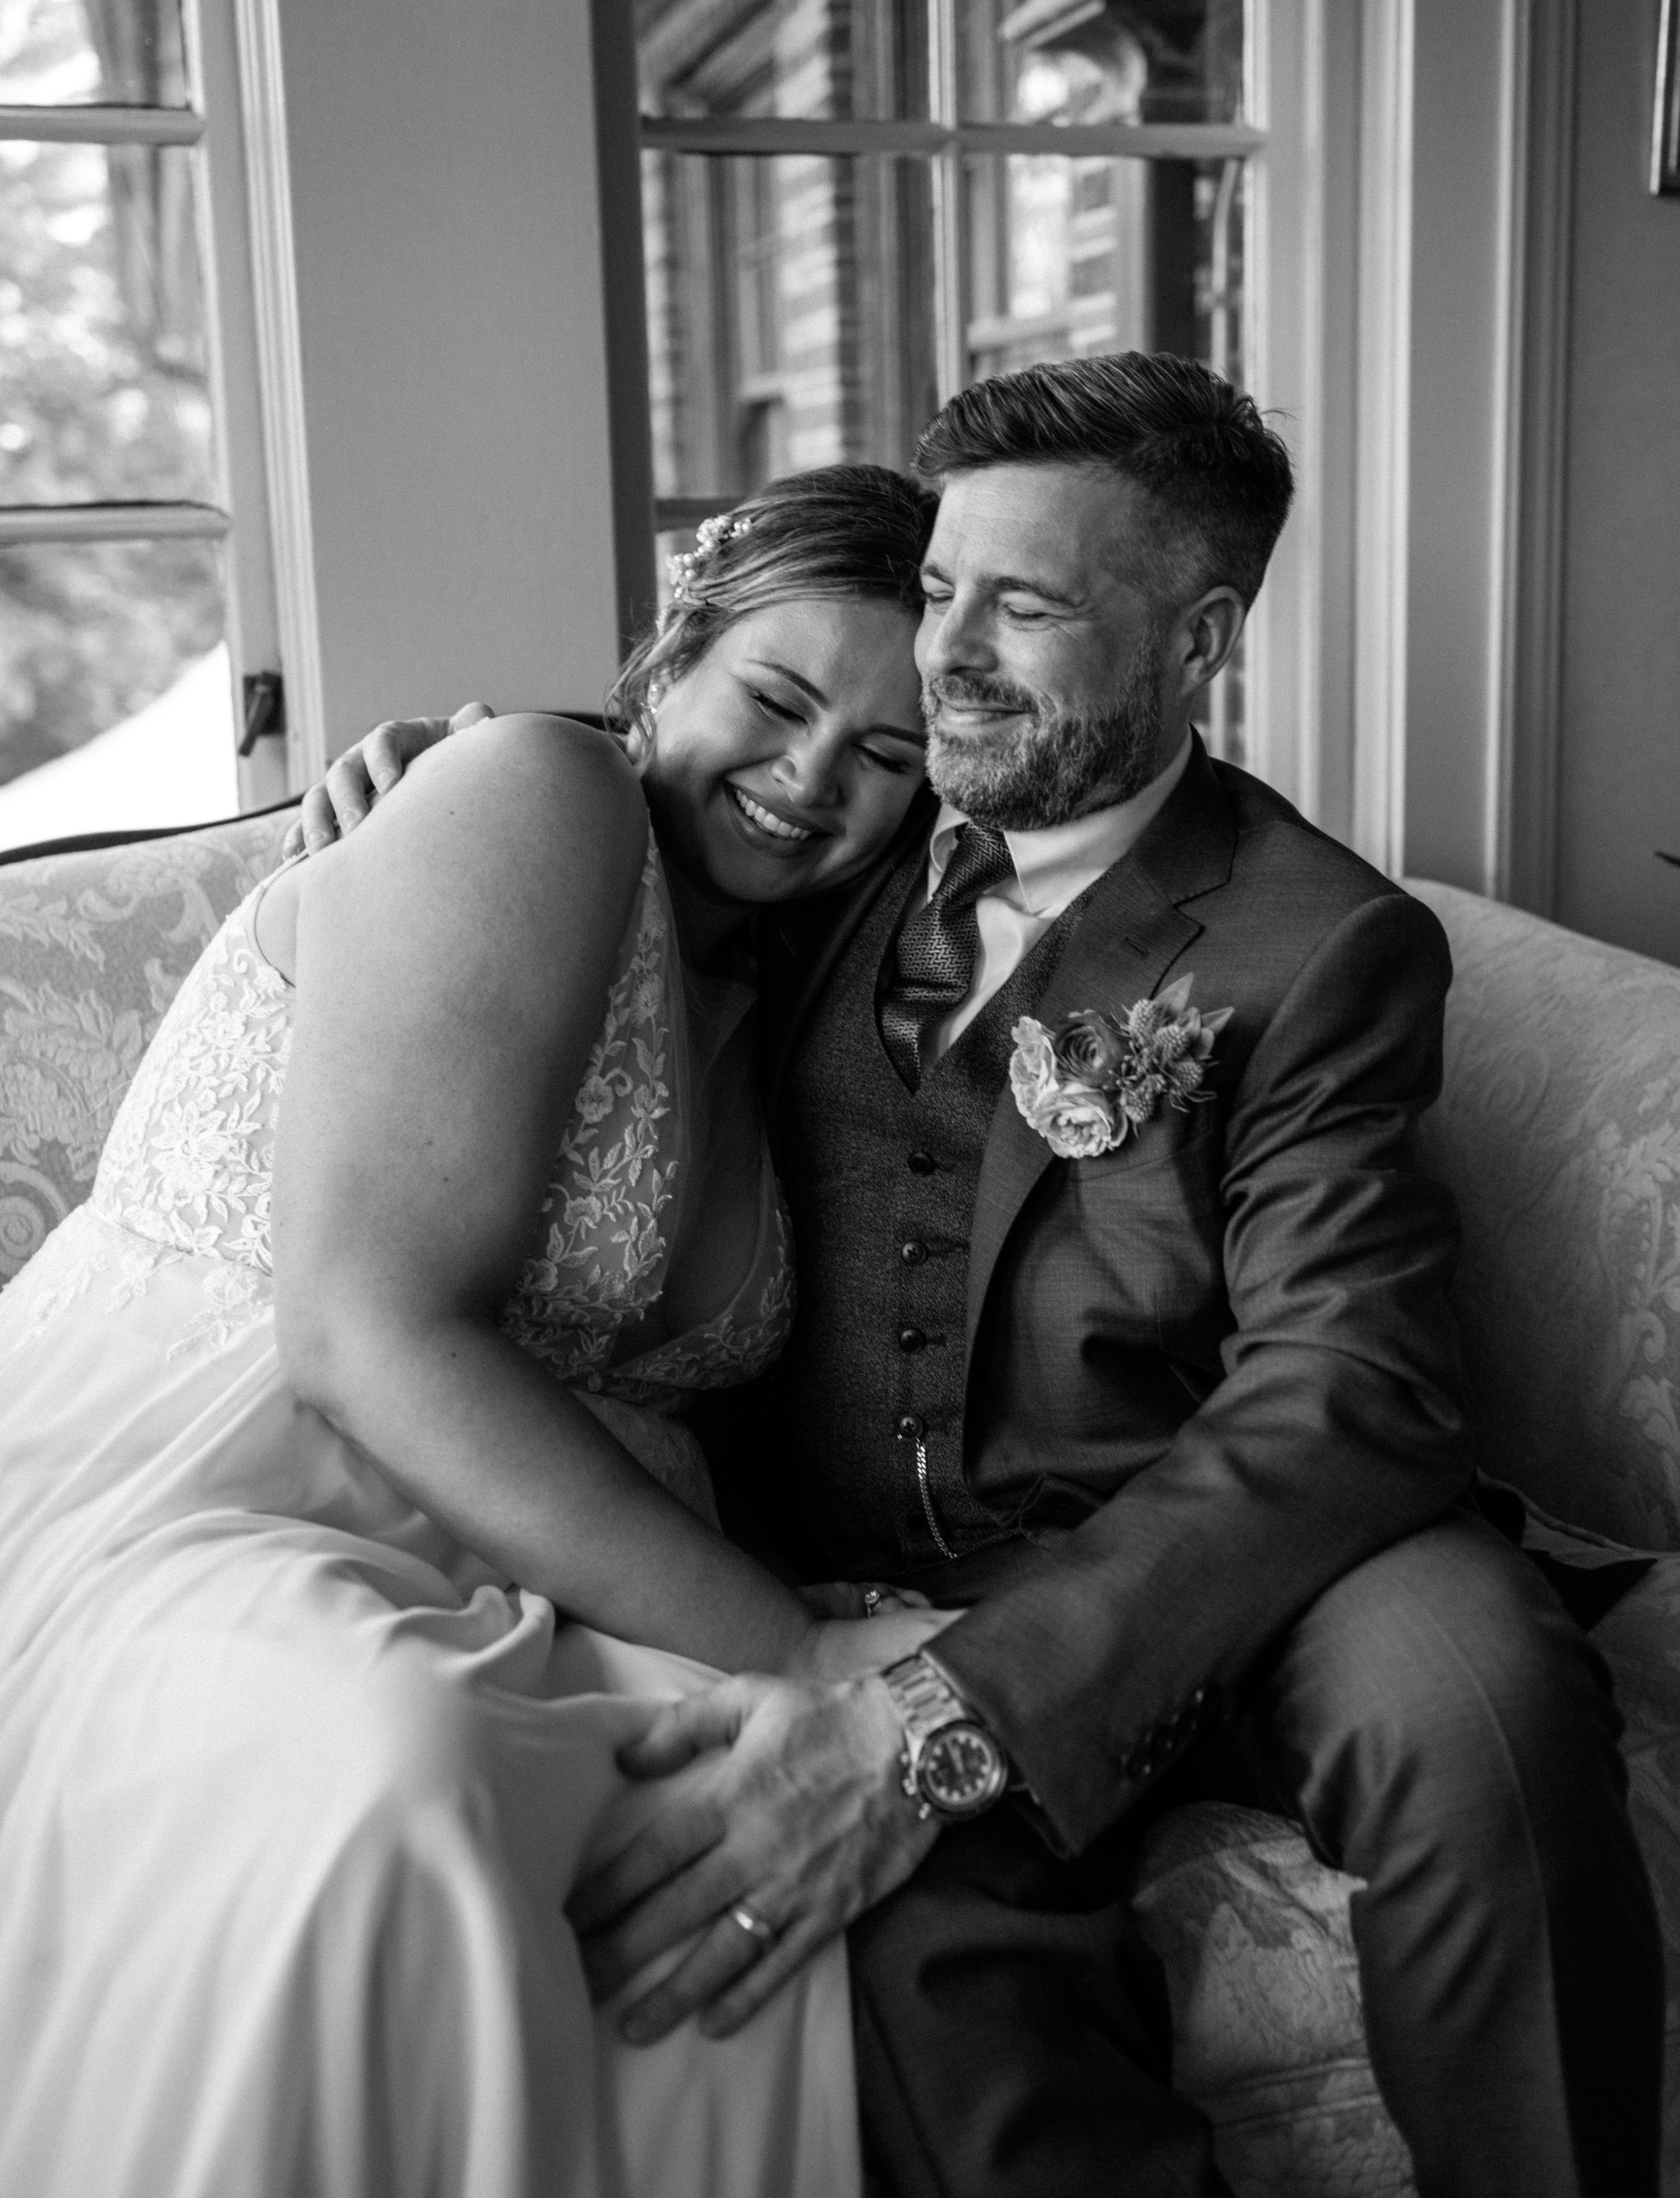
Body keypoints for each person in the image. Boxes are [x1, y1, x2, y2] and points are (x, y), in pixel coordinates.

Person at [331, 353, 1664, 2198]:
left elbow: (1352, 1389)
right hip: (858, 1560)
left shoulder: (1322, 941)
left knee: (1479, 1711)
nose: (941, 660)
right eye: (940, 587)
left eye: (1019, 609)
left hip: (1246, 1549)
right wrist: (442, 772)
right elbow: (670, 772)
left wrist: (956, 1710)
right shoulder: (844, 825)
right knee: (904, 1937)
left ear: (1193, 640)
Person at [0, 465, 952, 2198]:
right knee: (386, 1773)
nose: (815, 782)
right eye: (780, 699)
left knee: (723, 1829)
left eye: (889, 757)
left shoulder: (816, 991)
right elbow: (363, 1336)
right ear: (668, 659)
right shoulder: (533, 789)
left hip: (514, 1550)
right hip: (226, 1472)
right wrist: (795, 1657)